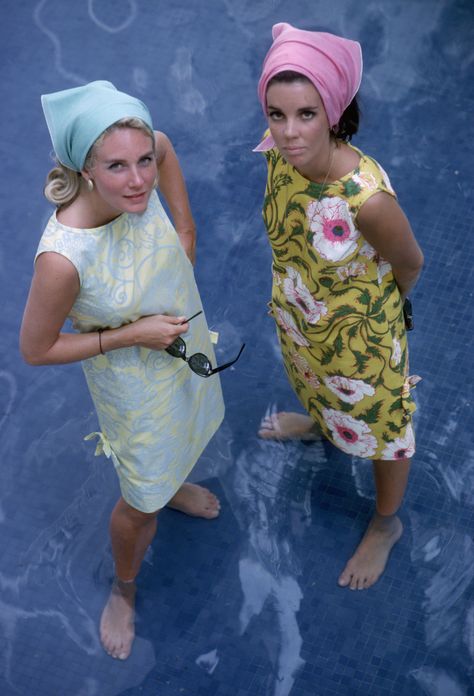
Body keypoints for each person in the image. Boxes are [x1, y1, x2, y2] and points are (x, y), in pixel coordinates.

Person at [20, 81, 234, 659]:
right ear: (85, 168)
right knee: (138, 502)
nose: (139, 180)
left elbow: (162, 146)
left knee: (186, 438)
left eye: (141, 162)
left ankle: (172, 485)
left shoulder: (149, 161)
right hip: (134, 386)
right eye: (117, 167)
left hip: (183, 345)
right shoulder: (64, 259)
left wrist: (186, 232)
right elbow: (35, 350)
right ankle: (125, 586)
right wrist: (129, 336)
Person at [254, 24, 424, 590]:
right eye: (277, 114)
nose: (288, 132)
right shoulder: (280, 156)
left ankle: (385, 523)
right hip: (304, 322)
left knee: (384, 429)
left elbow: (411, 263)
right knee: (318, 388)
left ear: (333, 109)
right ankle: (324, 426)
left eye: (306, 114)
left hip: (362, 338)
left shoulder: (365, 201)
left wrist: (378, 319)